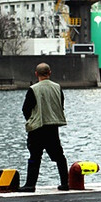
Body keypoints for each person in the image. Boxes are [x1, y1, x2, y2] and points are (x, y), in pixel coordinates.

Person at [18, 62, 69, 192]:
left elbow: (25, 109)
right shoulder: (57, 87)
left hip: (37, 127)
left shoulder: (33, 89)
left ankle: (30, 185)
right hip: (53, 127)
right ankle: (65, 183)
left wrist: (31, 120)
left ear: (36, 74)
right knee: (59, 156)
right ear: (49, 73)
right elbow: (61, 104)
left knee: (35, 157)